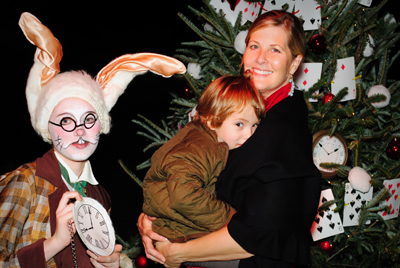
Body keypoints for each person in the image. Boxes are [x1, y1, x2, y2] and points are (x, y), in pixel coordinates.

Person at [137, 9, 322, 268]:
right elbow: (184, 168)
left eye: (275, 50)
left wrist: (178, 252)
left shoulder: (285, 132)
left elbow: (256, 234)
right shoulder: (236, 107)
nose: (260, 59)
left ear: (294, 64)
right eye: (254, 46)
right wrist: (150, 219)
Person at [0, 13, 185, 268]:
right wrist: (55, 242)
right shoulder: (26, 181)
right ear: (48, 128)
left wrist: (111, 264)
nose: (79, 130)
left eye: (89, 119)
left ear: (101, 125)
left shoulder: (99, 195)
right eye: (66, 121)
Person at [143, 74, 265, 245]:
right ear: (212, 119)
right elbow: (184, 197)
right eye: (239, 124)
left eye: (254, 125)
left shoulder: (206, 139)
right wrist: (228, 215)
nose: (249, 135)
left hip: (180, 227)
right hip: (178, 235)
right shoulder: (200, 148)